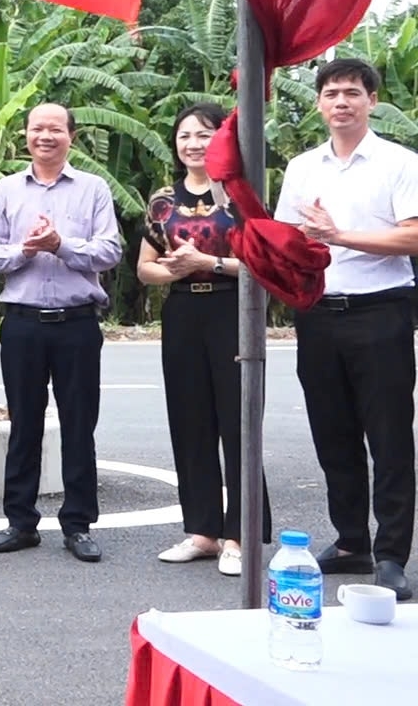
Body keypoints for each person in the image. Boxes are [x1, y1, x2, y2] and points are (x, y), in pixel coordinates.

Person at [274, 58, 418, 600]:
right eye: (331, 93)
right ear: (318, 103)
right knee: (333, 435)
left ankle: (391, 555)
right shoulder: (303, 168)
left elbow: (412, 237)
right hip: (318, 314)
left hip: (381, 312)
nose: (341, 102)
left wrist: (341, 236)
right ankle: (351, 539)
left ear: (372, 100)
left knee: (388, 438)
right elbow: (289, 237)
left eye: (352, 93)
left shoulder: (399, 163)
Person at [0, 103, 121, 564]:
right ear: (24, 136)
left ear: (71, 137)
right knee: (24, 424)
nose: (46, 136)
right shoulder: (4, 190)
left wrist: (62, 245)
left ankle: (78, 524)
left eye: (55, 129)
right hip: (21, 324)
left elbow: (110, 251)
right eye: (37, 128)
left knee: (79, 425)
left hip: (77, 324)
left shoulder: (93, 189)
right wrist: (26, 249)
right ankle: (20, 522)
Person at [138, 102, 272, 578]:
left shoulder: (240, 196)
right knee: (190, 421)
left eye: (204, 134)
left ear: (222, 139)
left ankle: (239, 535)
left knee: (237, 423)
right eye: (184, 135)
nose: (193, 143)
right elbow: (145, 268)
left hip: (232, 309)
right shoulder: (162, 201)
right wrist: (173, 268)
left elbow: (262, 263)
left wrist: (208, 264)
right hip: (182, 313)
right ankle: (202, 531)